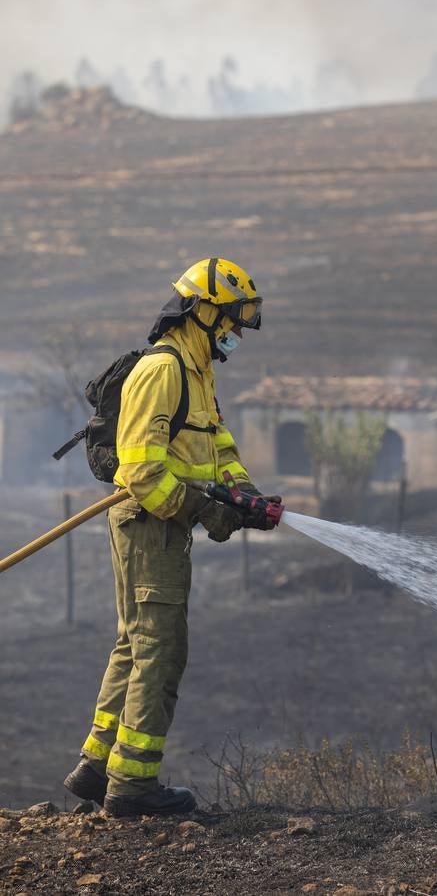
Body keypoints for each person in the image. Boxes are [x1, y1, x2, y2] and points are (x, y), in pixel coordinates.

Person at [64, 257, 280, 817]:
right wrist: (206, 512)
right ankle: (132, 786)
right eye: (231, 321)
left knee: (135, 643)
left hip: (158, 523)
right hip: (149, 522)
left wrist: (247, 497)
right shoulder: (164, 370)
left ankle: (97, 767)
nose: (235, 335)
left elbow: (217, 446)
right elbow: (141, 470)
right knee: (161, 650)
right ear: (202, 311)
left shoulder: (197, 370)